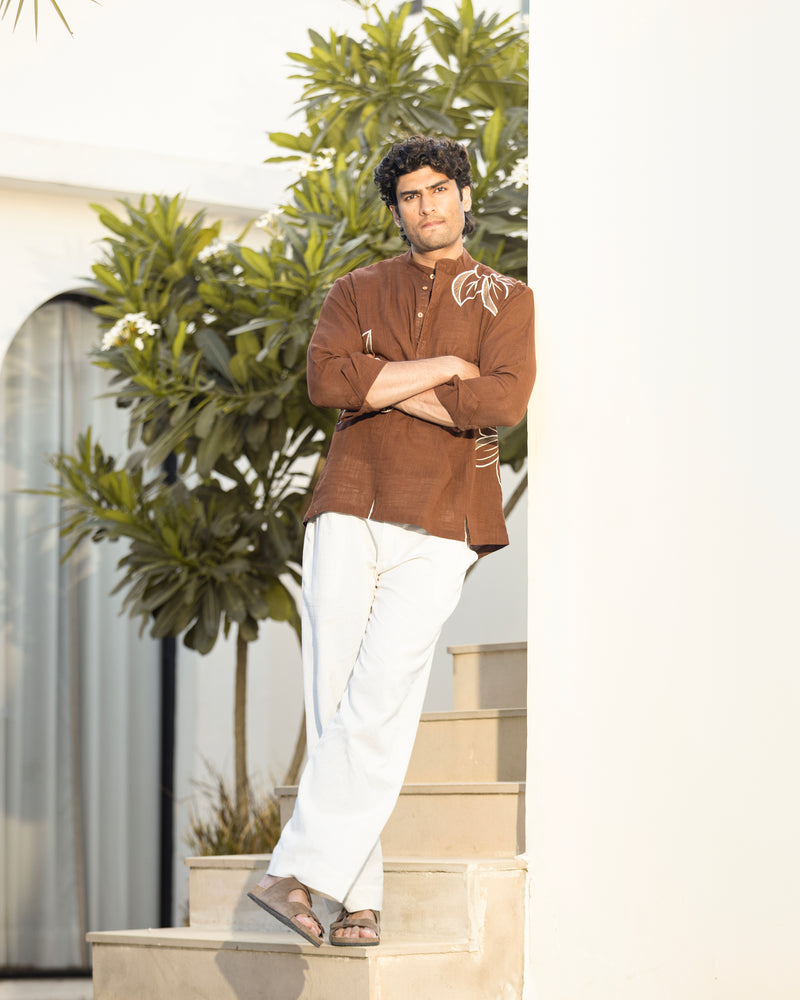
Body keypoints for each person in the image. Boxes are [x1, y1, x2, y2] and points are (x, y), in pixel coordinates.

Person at [248, 134, 535, 947]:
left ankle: (294, 874)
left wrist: (384, 381)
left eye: (439, 190)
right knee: (336, 699)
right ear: (396, 209)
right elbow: (327, 381)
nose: (427, 206)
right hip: (349, 503)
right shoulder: (355, 289)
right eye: (411, 195)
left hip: (446, 517)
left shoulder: (509, 300)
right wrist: (444, 365)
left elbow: (500, 402)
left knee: (382, 699)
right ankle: (356, 901)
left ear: (465, 196)